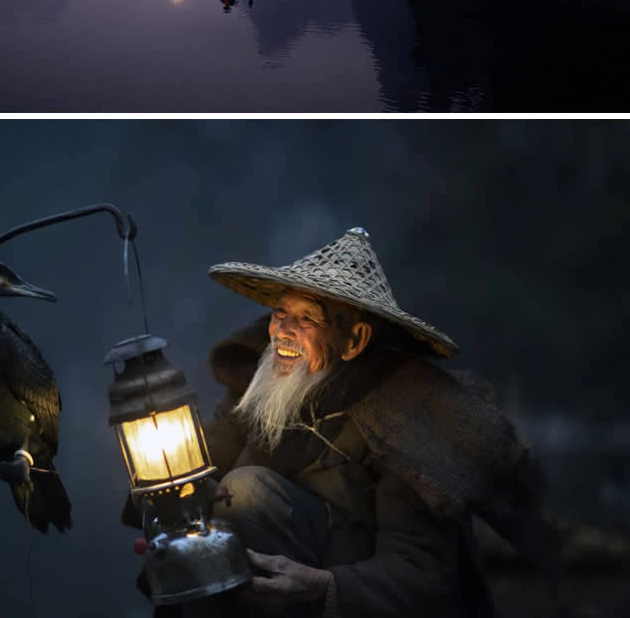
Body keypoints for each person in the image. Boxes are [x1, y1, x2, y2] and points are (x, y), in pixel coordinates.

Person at [195, 226, 559, 617]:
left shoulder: (400, 417)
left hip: (358, 598)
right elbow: (197, 464)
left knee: (247, 490)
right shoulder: (263, 388)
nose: (283, 330)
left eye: (306, 319)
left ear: (355, 340)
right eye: (281, 312)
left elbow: (421, 573)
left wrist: (323, 587)